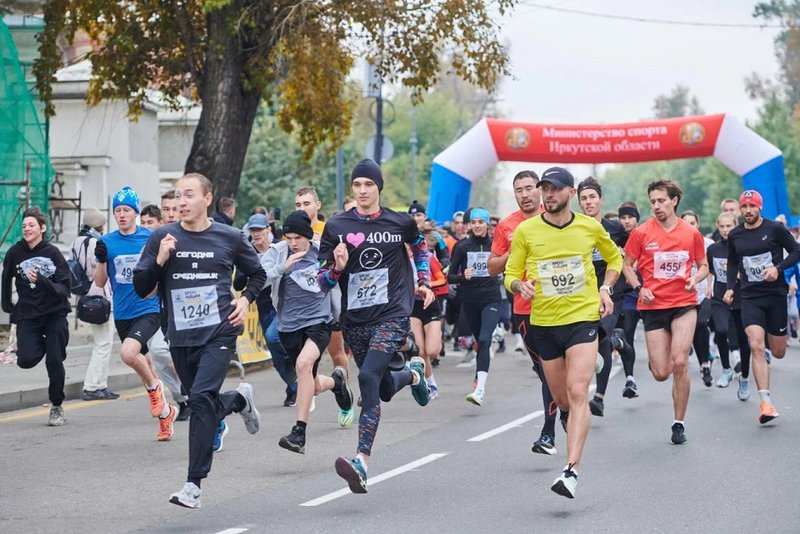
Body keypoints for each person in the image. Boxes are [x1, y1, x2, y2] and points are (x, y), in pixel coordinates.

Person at [134, 173, 266, 508]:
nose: (181, 202)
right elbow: (141, 287)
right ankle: (238, 401)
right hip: (180, 334)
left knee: (203, 397)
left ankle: (193, 484)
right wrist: (161, 260)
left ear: (207, 198)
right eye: (177, 196)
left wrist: (245, 299)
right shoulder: (162, 237)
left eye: (188, 195)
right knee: (200, 402)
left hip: (219, 332)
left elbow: (258, 274)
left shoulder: (230, 236)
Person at [505, 166, 622, 499]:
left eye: (555, 188)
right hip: (544, 323)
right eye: (545, 188)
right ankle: (571, 418)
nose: (548, 194)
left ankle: (571, 470)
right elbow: (511, 272)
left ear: (571, 193)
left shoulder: (589, 227)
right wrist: (518, 284)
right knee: (561, 398)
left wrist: (606, 289)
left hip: (582, 319)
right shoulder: (527, 231)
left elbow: (614, 258)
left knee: (578, 389)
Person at [318, 159, 434, 494]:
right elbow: (322, 281)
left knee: (367, 378)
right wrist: (337, 268)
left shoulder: (400, 223)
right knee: (382, 388)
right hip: (356, 320)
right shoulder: (337, 226)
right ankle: (413, 375)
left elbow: (420, 249)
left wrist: (423, 282)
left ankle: (361, 461)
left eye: (369, 185)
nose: (363, 191)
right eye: (357, 185)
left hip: (393, 315)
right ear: (352, 189)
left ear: (378, 188)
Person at [622, 180, 708, 445]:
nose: (656, 206)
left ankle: (678, 423)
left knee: (680, 362)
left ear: (674, 201)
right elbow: (627, 265)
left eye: (661, 200)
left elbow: (703, 265)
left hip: (684, 302)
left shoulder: (691, 233)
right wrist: (639, 287)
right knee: (661, 372)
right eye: (653, 201)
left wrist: (696, 279)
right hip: (653, 306)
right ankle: (660, 357)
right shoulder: (641, 233)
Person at [263, 210, 354, 453]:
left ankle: (299, 433)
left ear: (308, 236)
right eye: (288, 238)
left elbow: (335, 279)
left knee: (303, 365)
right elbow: (258, 278)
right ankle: (336, 382)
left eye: (298, 238)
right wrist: (282, 268)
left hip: (319, 321)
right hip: (288, 325)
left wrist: (339, 267)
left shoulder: (321, 251)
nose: (293, 243)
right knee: (310, 385)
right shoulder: (278, 252)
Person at [94, 187, 178, 440]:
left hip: (148, 307)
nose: (121, 215)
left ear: (135, 213)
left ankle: (155, 389)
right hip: (122, 312)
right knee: (144, 363)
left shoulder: (149, 237)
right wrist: (100, 261)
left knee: (129, 354)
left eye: (126, 210)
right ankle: (166, 414)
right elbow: (99, 283)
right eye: (117, 210)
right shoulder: (107, 242)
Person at [489, 170, 562, 454]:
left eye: (530, 188)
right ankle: (556, 421)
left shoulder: (556, 217)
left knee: (557, 371)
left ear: (540, 190)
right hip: (525, 309)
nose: (525, 194)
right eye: (519, 190)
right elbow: (492, 266)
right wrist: (515, 250)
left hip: (561, 305)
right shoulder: (508, 226)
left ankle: (549, 431)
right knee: (546, 372)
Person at [723, 190, 800, 424]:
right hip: (750, 297)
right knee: (755, 345)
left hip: (775, 295)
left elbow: (797, 250)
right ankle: (766, 402)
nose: (748, 211)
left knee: (778, 351)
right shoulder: (735, 235)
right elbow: (734, 262)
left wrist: (778, 267)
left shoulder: (774, 229)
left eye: (752, 207)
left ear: (760, 208)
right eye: (744, 207)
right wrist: (729, 287)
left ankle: (772, 342)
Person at [1, 207, 71, 426]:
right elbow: (5, 278)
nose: (27, 229)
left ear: (42, 228)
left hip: (54, 313)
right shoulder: (15, 252)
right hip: (28, 313)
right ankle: (50, 345)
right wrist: (7, 307)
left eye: (31, 225)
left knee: (54, 360)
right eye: (24, 226)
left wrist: (42, 281)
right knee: (25, 360)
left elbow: (64, 288)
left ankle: (56, 406)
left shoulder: (53, 253)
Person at [295, 186, 354, 427]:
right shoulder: (290, 234)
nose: (302, 208)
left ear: (317, 206)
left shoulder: (329, 230)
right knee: (302, 367)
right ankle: (326, 385)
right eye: (298, 205)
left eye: (307, 203)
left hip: (328, 302)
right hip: (299, 310)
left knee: (336, 352)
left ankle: (345, 399)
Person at [576, 177, 635, 417]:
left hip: (612, 291)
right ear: (579, 203)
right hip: (583, 291)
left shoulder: (616, 230)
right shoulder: (575, 227)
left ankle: (598, 398)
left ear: (601, 200)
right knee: (597, 340)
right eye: (584, 198)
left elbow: (632, 255)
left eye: (592, 197)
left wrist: (624, 255)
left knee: (602, 338)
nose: (588, 202)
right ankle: (619, 342)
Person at [139, 203, 191, 420]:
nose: (171, 213)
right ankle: (184, 398)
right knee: (160, 355)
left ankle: (205, 397)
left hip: (189, 313)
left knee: (187, 360)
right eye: (167, 209)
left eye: (174, 209)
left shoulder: (192, 239)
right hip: (159, 311)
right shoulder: (151, 245)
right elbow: (144, 286)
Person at [448, 207, 504, 405]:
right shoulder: (462, 246)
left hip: (491, 299)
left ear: (488, 224)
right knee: (480, 343)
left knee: (484, 339)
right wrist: (463, 277)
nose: (477, 225)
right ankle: (479, 376)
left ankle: (480, 389)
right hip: (470, 301)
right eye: (474, 222)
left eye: (481, 222)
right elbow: (450, 275)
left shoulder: (495, 245)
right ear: (469, 225)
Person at [73, 207, 119, 401]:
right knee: (104, 343)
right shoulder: (96, 243)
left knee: (101, 341)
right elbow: (100, 268)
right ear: (98, 224)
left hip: (85, 295)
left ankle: (99, 385)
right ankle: (94, 386)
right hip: (100, 297)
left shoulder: (76, 241)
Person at [681, 210, 716, 387]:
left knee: (702, 323)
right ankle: (705, 364)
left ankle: (706, 361)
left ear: (698, 224)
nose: (689, 226)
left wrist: (710, 286)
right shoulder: (677, 243)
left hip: (705, 292)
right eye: (685, 223)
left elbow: (710, 267)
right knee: (694, 329)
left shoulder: (708, 244)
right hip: (686, 294)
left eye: (692, 223)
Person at [706, 212, 738, 388]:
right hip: (719, 295)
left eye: (729, 226)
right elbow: (710, 270)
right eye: (722, 226)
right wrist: (709, 286)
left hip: (740, 296)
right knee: (721, 329)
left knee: (741, 335)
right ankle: (726, 369)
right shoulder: (713, 249)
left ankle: (744, 375)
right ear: (718, 227)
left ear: (736, 225)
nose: (725, 230)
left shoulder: (742, 246)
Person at [616, 201, 642, 395]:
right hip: (621, 294)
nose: (626, 221)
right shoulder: (614, 238)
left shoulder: (644, 236)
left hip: (642, 292)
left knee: (628, 336)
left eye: (630, 217)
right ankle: (630, 379)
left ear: (636, 219)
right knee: (623, 334)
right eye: (623, 217)